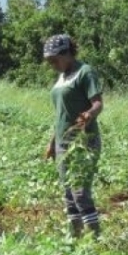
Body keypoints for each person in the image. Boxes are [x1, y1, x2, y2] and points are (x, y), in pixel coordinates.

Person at [42, 34, 104, 239]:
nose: (52, 65)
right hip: (63, 142)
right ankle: (75, 238)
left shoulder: (85, 72)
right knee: (68, 192)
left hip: (83, 141)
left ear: (67, 54)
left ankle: (94, 240)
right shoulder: (61, 78)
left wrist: (89, 115)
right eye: (49, 61)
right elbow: (61, 115)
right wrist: (52, 142)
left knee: (80, 191)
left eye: (54, 60)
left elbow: (97, 103)